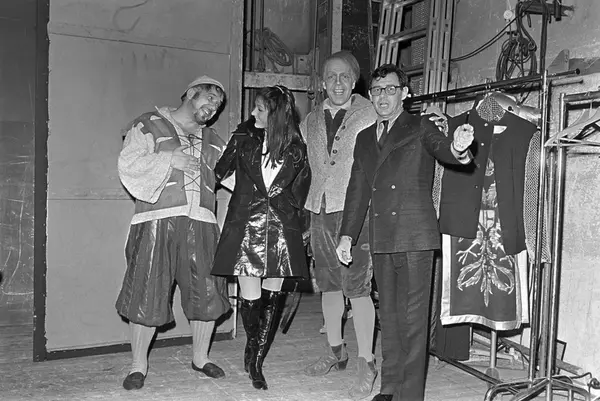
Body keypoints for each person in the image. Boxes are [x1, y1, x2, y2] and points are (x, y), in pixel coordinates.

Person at [336, 63, 475, 401]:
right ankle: (389, 388)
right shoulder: (364, 138)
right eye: (377, 90)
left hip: (415, 236)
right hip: (382, 236)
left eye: (390, 89)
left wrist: (458, 147)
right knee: (390, 317)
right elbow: (357, 189)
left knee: (413, 321)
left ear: (405, 93)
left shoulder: (420, 126)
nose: (383, 96)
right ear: (370, 95)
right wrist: (347, 235)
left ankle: (410, 395)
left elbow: (445, 149)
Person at [115, 76, 232, 390]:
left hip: (203, 222)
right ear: (191, 93)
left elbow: (239, 177)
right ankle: (138, 365)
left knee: (207, 292)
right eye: (210, 99)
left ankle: (201, 358)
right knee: (147, 291)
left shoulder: (216, 141)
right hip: (156, 221)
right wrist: (169, 159)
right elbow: (128, 164)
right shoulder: (148, 124)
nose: (214, 107)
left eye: (218, 104)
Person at [211, 85, 311, 391]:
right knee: (251, 298)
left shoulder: (296, 147)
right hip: (247, 224)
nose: (253, 113)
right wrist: (245, 191)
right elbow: (220, 171)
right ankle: (253, 348)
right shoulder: (243, 137)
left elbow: (300, 189)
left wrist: (291, 214)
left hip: (280, 227)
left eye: (260, 109)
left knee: (272, 297)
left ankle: (255, 361)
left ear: (277, 115)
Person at [301, 50, 379, 400]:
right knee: (329, 285)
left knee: (357, 287)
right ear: (322, 82)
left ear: (355, 80)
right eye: (331, 76)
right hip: (319, 211)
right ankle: (336, 351)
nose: (337, 83)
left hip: (356, 212)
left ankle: (367, 363)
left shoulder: (372, 113)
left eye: (344, 76)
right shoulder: (310, 120)